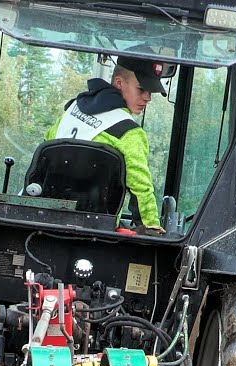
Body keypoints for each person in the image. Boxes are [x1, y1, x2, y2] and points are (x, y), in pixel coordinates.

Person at [49, 56, 167, 234]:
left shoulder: (72, 110)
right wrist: (151, 227)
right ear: (119, 83)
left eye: (150, 92)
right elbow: (141, 188)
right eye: (142, 89)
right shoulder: (129, 132)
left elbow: (46, 151)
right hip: (98, 232)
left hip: (45, 221)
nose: (147, 98)